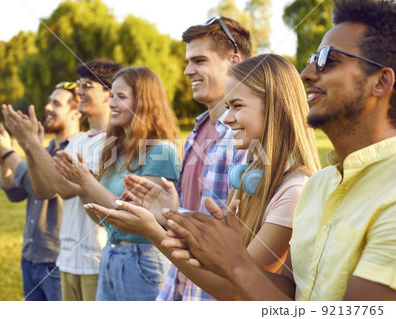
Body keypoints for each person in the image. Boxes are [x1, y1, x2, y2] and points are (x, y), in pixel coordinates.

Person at [162, 0, 396, 301]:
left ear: (381, 82)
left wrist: (235, 263)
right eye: (312, 58)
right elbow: (291, 290)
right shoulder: (319, 186)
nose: (306, 73)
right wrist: (232, 258)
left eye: (327, 60)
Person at [85, 53, 322, 300]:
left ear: (275, 106)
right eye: (227, 107)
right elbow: (220, 260)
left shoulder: (294, 191)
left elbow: (233, 288)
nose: (227, 118)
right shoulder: (250, 178)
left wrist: (153, 231)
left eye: (237, 106)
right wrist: (170, 215)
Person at [114, 16, 252, 301]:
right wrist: (166, 214)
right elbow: (190, 217)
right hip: (179, 288)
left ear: (234, 62)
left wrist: (155, 226)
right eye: (188, 62)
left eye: (199, 61)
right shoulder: (196, 132)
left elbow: (243, 236)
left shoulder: (246, 137)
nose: (188, 71)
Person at [54, 66, 181, 301]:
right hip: (111, 254)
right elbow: (107, 222)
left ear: (145, 103)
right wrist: (83, 189)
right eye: (111, 95)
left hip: (142, 261)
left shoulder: (161, 151)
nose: (111, 103)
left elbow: (133, 218)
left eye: (120, 97)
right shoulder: (116, 150)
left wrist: (86, 182)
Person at [3, 59, 122, 301]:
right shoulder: (77, 141)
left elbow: (67, 189)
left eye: (87, 86)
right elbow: (45, 189)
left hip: (94, 262)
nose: (79, 91)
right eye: (79, 85)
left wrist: (33, 144)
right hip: (66, 260)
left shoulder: (114, 142)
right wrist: (29, 147)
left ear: (109, 93)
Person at [0, 82, 81, 300]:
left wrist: (7, 152)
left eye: (57, 103)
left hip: (56, 261)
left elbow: (46, 190)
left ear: (76, 113)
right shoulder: (46, 149)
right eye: (49, 101)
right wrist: (3, 162)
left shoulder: (76, 151)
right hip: (30, 257)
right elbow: (16, 194)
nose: (48, 107)